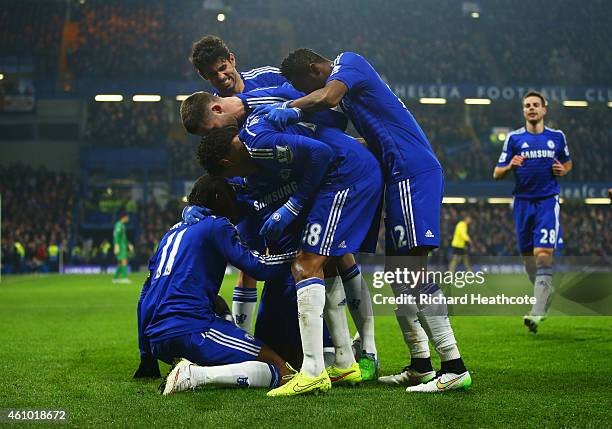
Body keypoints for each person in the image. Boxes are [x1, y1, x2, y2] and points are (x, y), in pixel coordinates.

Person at [258, 49, 470, 392]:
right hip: (397, 174)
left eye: (304, 85)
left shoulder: (348, 62)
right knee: (398, 276)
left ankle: (454, 366)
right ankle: (420, 364)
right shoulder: (353, 93)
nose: (304, 93)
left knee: (413, 274)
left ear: (315, 68)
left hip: (413, 173)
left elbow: (327, 97)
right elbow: (371, 129)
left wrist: (289, 108)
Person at [181, 85, 381, 380]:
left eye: (209, 130)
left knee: (337, 258)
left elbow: (318, 124)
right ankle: (337, 359)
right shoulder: (241, 175)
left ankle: (363, 352)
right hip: (283, 272)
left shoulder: (259, 133)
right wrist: (191, 206)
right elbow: (210, 186)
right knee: (316, 267)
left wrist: (293, 204)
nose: (211, 135)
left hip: (334, 183)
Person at [138, 175, 296, 395]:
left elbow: (145, 296)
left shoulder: (170, 234)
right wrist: (299, 257)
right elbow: (259, 267)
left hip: (158, 340)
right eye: (233, 198)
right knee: (281, 369)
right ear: (220, 197)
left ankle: (196, 364)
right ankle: (194, 375)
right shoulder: (217, 224)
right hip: (192, 330)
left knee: (218, 304)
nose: (237, 206)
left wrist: (146, 355)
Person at [190, 34, 287, 333]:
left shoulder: (268, 77)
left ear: (232, 59)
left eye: (222, 67)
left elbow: (302, 100)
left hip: (288, 188)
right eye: (211, 75)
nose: (220, 77)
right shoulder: (212, 114)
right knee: (247, 267)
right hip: (248, 195)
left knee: (329, 261)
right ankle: (243, 341)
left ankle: (352, 346)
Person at [493, 91, 572, 333]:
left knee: (542, 255)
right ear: (523, 111)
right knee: (529, 263)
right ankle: (544, 293)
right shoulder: (514, 139)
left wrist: (563, 169)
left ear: (544, 109)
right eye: (527, 106)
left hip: (547, 201)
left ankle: (537, 311)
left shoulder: (557, 137)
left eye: (536, 105)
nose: (531, 109)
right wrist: (510, 165)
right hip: (522, 204)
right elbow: (496, 173)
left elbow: (567, 162)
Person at [113, 209, 131, 284]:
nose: (128, 218)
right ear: (124, 217)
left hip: (123, 245)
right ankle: (124, 278)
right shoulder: (119, 225)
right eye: (127, 217)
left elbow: (124, 237)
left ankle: (116, 278)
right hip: (120, 246)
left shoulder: (122, 226)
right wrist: (116, 245)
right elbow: (116, 235)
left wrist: (128, 244)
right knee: (124, 261)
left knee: (120, 262)